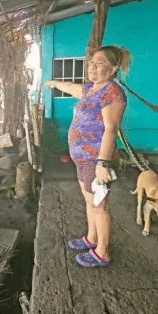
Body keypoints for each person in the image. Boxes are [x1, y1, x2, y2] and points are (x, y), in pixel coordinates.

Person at [45, 45, 130, 268]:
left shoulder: (112, 92)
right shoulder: (92, 88)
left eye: (99, 63)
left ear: (113, 68)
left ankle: (102, 252)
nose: (92, 67)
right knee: (89, 201)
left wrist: (103, 163)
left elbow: (111, 129)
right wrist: (54, 83)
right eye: (91, 63)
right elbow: (72, 87)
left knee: (98, 205)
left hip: (95, 159)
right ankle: (91, 238)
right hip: (82, 158)